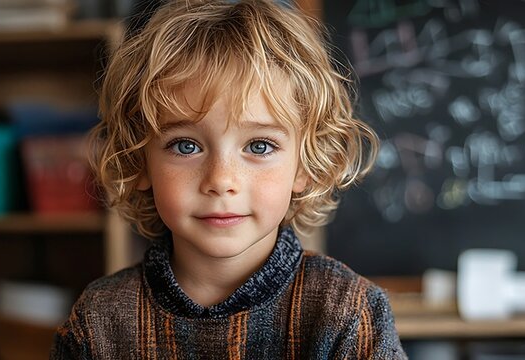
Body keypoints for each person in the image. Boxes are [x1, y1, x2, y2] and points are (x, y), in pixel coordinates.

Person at [51, 0, 406, 358]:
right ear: (139, 160)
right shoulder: (100, 320)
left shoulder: (347, 312)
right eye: (186, 146)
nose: (221, 180)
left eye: (260, 146)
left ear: (304, 164)